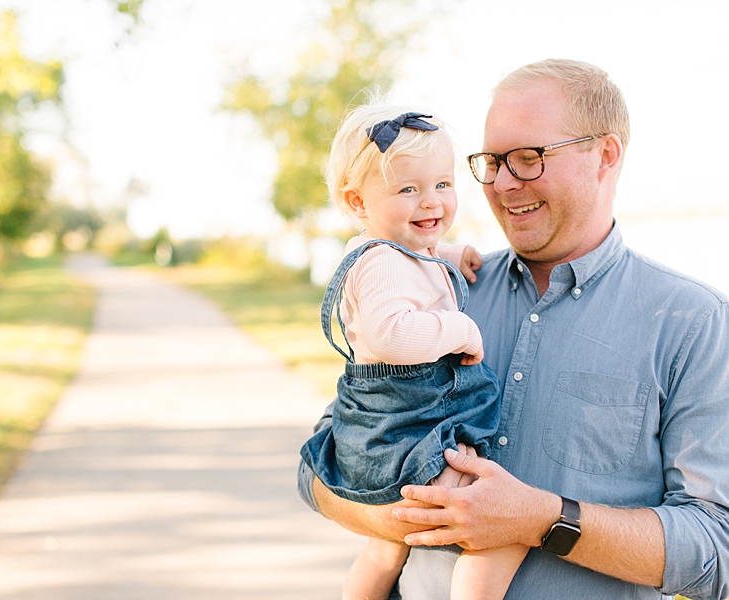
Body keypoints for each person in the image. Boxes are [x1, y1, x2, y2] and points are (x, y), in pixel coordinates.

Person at [298, 58, 729, 600]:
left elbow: (718, 550)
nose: (501, 184)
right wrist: (393, 522)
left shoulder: (695, 323)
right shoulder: (441, 291)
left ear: (605, 155)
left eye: (527, 160)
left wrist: (544, 521)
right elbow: (323, 466)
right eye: (491, 161)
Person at [299, 104, 526, 600]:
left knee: (386, 547)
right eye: (408, 190)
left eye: (443, 185)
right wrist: (460, 328)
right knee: (495, 530)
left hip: (389, 426)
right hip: (406, 429)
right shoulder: (380, 263)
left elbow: (412, 254)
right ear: (357, 202)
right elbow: (391, 336)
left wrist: (449, 254)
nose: (431, 204)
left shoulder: (387, 248)